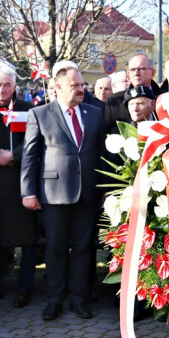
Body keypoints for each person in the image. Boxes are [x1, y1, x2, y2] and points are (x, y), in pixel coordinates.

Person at [21, 62, 104, 322]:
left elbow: (101, 154)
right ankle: (55, 299)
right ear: (57, 87)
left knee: (82, 248)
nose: (81, 89)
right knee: (55, 248)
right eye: (75, 85)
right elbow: (30, 156)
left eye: (82, 85)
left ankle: (79, 298)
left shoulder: (95, 113)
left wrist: (105, 190)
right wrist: (28, 192)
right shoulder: (40, 114)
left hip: (87, 193)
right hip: (53, 193)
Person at [0, 67, 39, 307]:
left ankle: (25, 289)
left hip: (22, 182)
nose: (2, 89)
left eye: (7, 85)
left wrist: (13, 156)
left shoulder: (29, 110)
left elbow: (37, 142)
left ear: (15, 86)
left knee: (27, 238)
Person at [103, 54, 163, 131]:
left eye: (141, 69)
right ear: (128, 75)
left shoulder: (165, 99)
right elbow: (107, 133)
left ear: (153, 73)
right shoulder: (115, 100)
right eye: (132, 70)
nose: (136, 73)